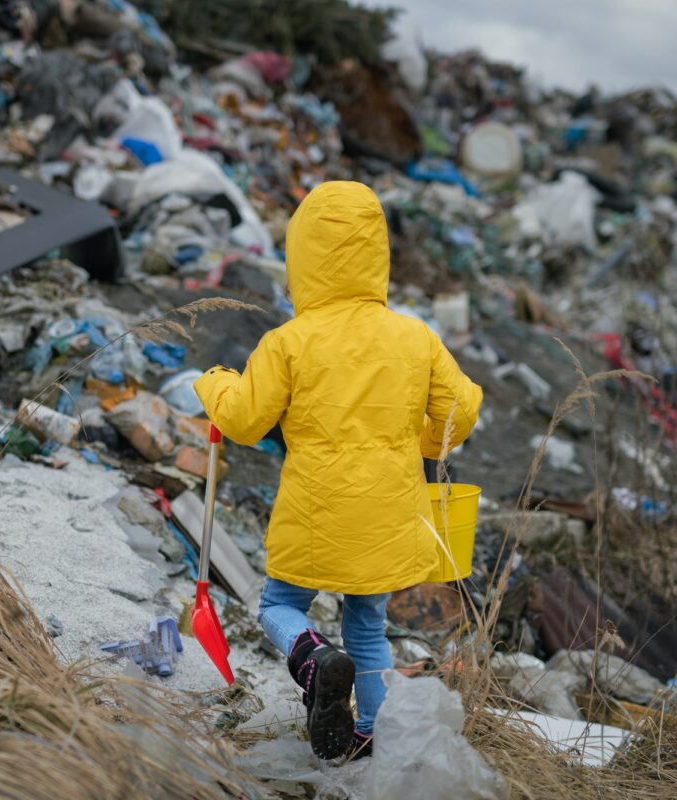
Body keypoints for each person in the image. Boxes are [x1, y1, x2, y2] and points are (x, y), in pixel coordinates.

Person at [194, 181, 482, 760]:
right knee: (368, 626)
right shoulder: (414, 336)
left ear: (302, 258)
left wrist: (216, 382)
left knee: (278, 605)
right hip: (388, 514)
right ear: (378, 255)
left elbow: (246, 421)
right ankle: (369, 729)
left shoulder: (289, 341)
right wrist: (423, 442)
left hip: (315, 510)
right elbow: (463, 407)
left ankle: (311, 656)